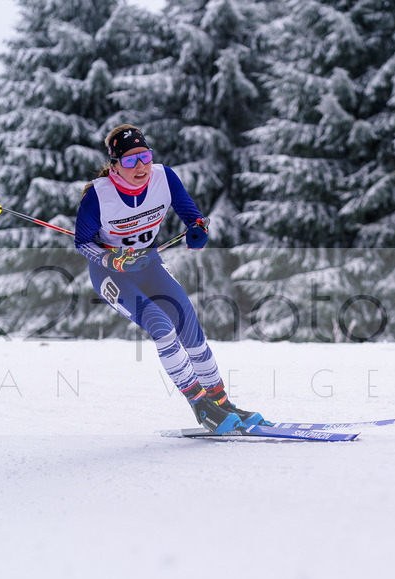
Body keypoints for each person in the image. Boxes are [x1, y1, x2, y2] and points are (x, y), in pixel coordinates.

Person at [75, 124, 261, 434]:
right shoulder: (98, 195)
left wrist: (198, 230)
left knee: (190, 328)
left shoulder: (164, 177)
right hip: (112, 274)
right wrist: (109, 258)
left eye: (145, 157)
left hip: (148, 264)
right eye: (131, 160)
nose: (141, 167)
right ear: (115, 164)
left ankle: (222, 403)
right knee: (161, 327)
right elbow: (82, 242)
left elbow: (193, 216)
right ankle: (201, 407)